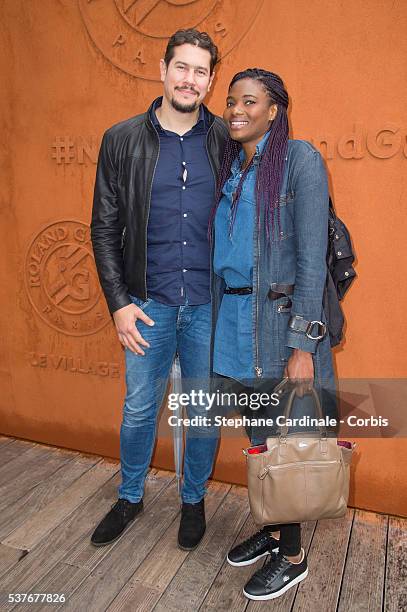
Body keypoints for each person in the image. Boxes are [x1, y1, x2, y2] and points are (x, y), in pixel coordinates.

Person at [90, 29, 227, 551]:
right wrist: (119, 305)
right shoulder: (121, 139)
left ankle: (192, 500)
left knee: (204, 412)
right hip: (146, 304)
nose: (189, 79)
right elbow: (103, 229)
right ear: (163, 70)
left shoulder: (223, 140)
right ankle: (130, 496)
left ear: (210, 80)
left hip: (209, 305)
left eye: (200, 71)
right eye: (182, 67)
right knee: (140, 409)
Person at [209, 68, 336, 600]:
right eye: (232, 100)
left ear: (274, 110)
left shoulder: (299, 161)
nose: (236, 109)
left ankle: (293, 554)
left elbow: (311, 261)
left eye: (251, 101)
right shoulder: (235, 168)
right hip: (235, 323)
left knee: (289, 439)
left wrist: (302, 345)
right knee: (262, 438)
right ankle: (273, 526)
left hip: (278, 323)